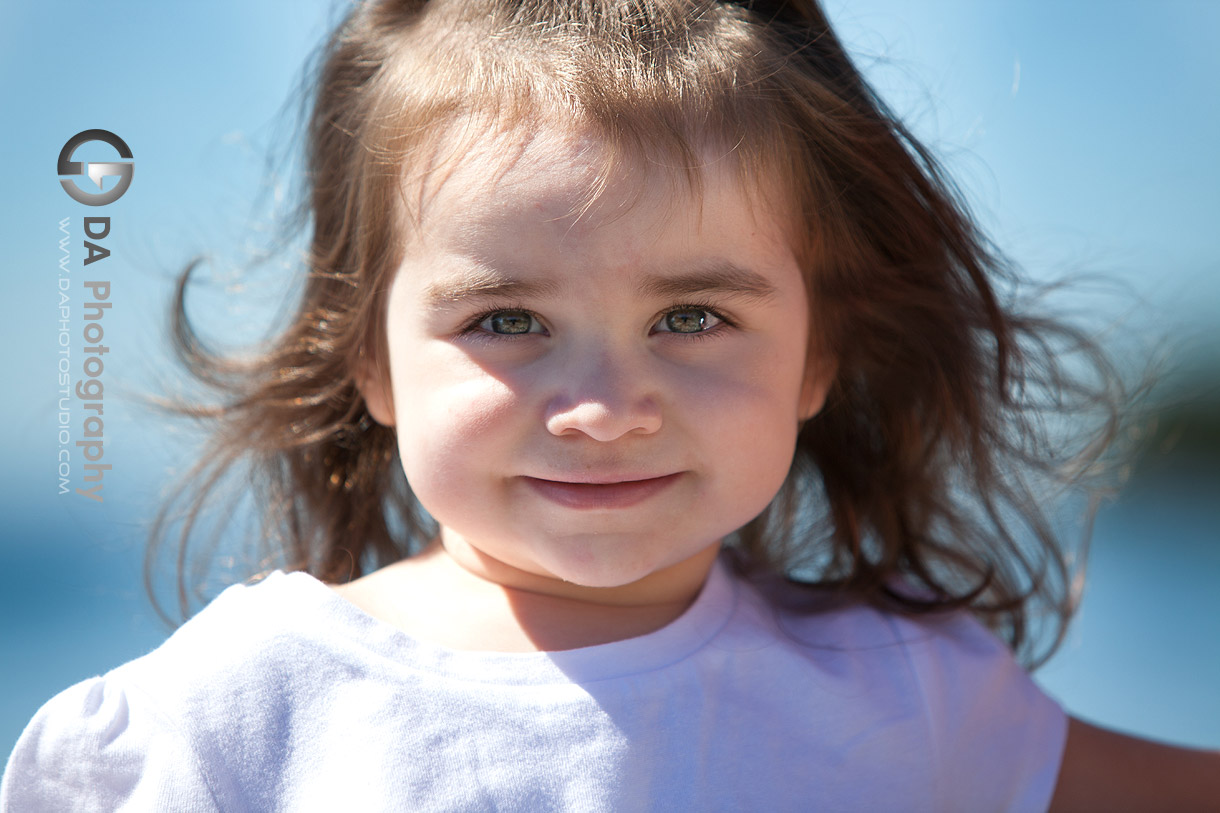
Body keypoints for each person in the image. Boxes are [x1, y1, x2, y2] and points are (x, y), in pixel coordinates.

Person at [4, 1, 1218, 810]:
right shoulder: (232, 715)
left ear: (815, 355)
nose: (601, 407)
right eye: (506, 322)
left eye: (692, 318)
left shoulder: (905, 695)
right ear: (365, 353)